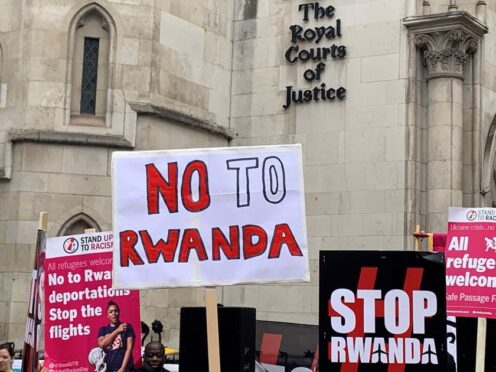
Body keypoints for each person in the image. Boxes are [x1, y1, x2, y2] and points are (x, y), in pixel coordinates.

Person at [97, 301, 135, 372]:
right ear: (107, 315)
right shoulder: (103, 330)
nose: (114, 314)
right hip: (108, 368)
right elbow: (102, 344)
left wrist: (123, 368)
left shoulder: (127, 327)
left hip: (125, 369)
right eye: (110, 312)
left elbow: (129, 349)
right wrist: (117, 331)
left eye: (116, 311)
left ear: (119, 312)